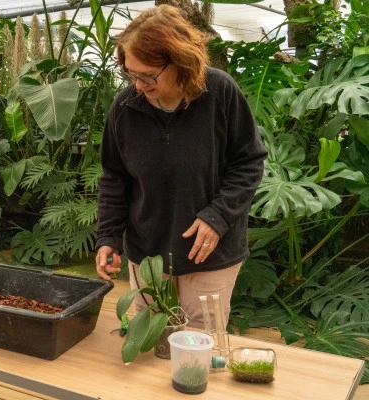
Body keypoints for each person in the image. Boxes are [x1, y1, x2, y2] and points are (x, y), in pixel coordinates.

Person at [95, 5, 267, 330]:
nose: (139, 85)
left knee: (199, 347)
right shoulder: (124, 108)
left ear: (181, 61)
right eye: (132, 74)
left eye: (148, 75)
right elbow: (114, 179)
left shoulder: (220, 92)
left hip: (209, 253)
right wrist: (108, 237)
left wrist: (217, 217)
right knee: (151, 338)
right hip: (146, 251)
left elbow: (249, 162)